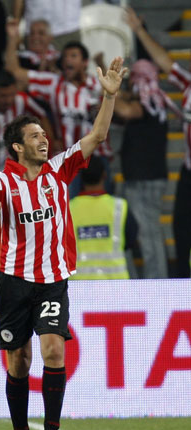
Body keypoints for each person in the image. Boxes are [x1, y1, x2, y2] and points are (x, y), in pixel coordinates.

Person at [0, 56, 126, 430]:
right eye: (35, 136)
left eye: (45, 133)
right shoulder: (2, 181)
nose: (45, 140)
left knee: (54, 350)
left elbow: (98, 134)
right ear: (18, 147)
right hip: (13, 281)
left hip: (53, 278)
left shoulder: (60, 169)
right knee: (18, 361)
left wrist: (109, 96)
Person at [5, 20, 113, 198]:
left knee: (99, 212)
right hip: (68, 159)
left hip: (98, 157)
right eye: (66, 57)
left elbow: (119, 102)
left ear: (85, 62)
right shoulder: (53, 83)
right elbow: (14, 72)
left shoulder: (98, 85)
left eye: (73, 56)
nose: (67, 60)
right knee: (67, 211)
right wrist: (12, 39)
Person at [124, 6, 191, 278]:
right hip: (188, 171)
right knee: (180, 230)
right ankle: (182, 290)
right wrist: (139, 30)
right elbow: (165, 63)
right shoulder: (188, 84)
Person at [113, 58, 182, 279]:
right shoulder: (154, 99)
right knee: (143, 234)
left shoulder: (148, 100)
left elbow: (125, 111)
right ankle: (151, 280)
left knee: (148, 236)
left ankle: (157, 284)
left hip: (145, 180)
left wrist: (109, 91)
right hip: (143, 178)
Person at [70, 155, 138, 279]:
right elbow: (130, 240)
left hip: (79, 286)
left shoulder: (68, 209)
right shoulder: (120, 207)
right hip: (116, 285)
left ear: (81, 178)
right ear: (104, 175)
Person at [12, 0, 82, 50]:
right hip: (35, 32)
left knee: (70, 67)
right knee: (34, 68)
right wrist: (16, 29)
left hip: (68, 29)